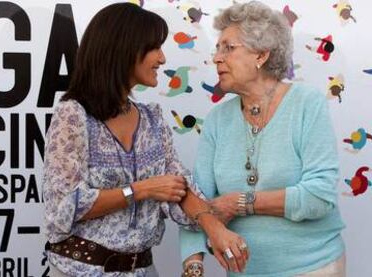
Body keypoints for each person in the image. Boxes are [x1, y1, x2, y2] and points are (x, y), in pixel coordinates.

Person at [43, 3, 248, 276]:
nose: (162, 59)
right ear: (123, 49)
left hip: (143, 270)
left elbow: (178, 188)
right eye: (154, 48)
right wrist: (141, 190)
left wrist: (215, 227)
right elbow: (64, 205)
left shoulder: (152, 118)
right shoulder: (74, 114)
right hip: (80, 271)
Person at [180, 1, 346, 276]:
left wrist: (239, 203)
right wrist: (193, 266)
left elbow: (319, 196)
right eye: (217, 49)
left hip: (313, 268)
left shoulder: (307, 103)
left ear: (261, 55)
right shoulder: (217, 119)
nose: (217, 58)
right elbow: (197, 201)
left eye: (228, 48)